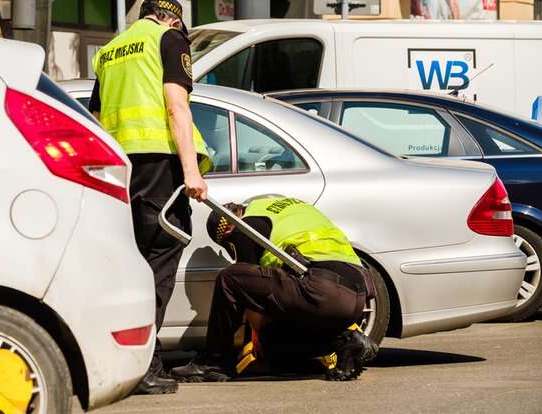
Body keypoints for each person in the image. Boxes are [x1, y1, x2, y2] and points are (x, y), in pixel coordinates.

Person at [89, 0, 212, 395]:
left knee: (133, 266)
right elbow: (177, 106)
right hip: (162, 166)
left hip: (122, 171)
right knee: (159, 263)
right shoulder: (169, 38)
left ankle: (142, 358)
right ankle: (142, 364)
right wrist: (191, 172)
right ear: (172, 17)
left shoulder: (109, 51)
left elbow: (96, 117)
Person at [171, 196, 379, 382]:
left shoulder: (245, 227)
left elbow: (249, 292)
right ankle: (345, 342)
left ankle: (213, 362)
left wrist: (254, 340)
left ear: (226, 229)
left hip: (322, 288)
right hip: (357, 293)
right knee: (275, 339)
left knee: (230, 278)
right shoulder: (282, 206)